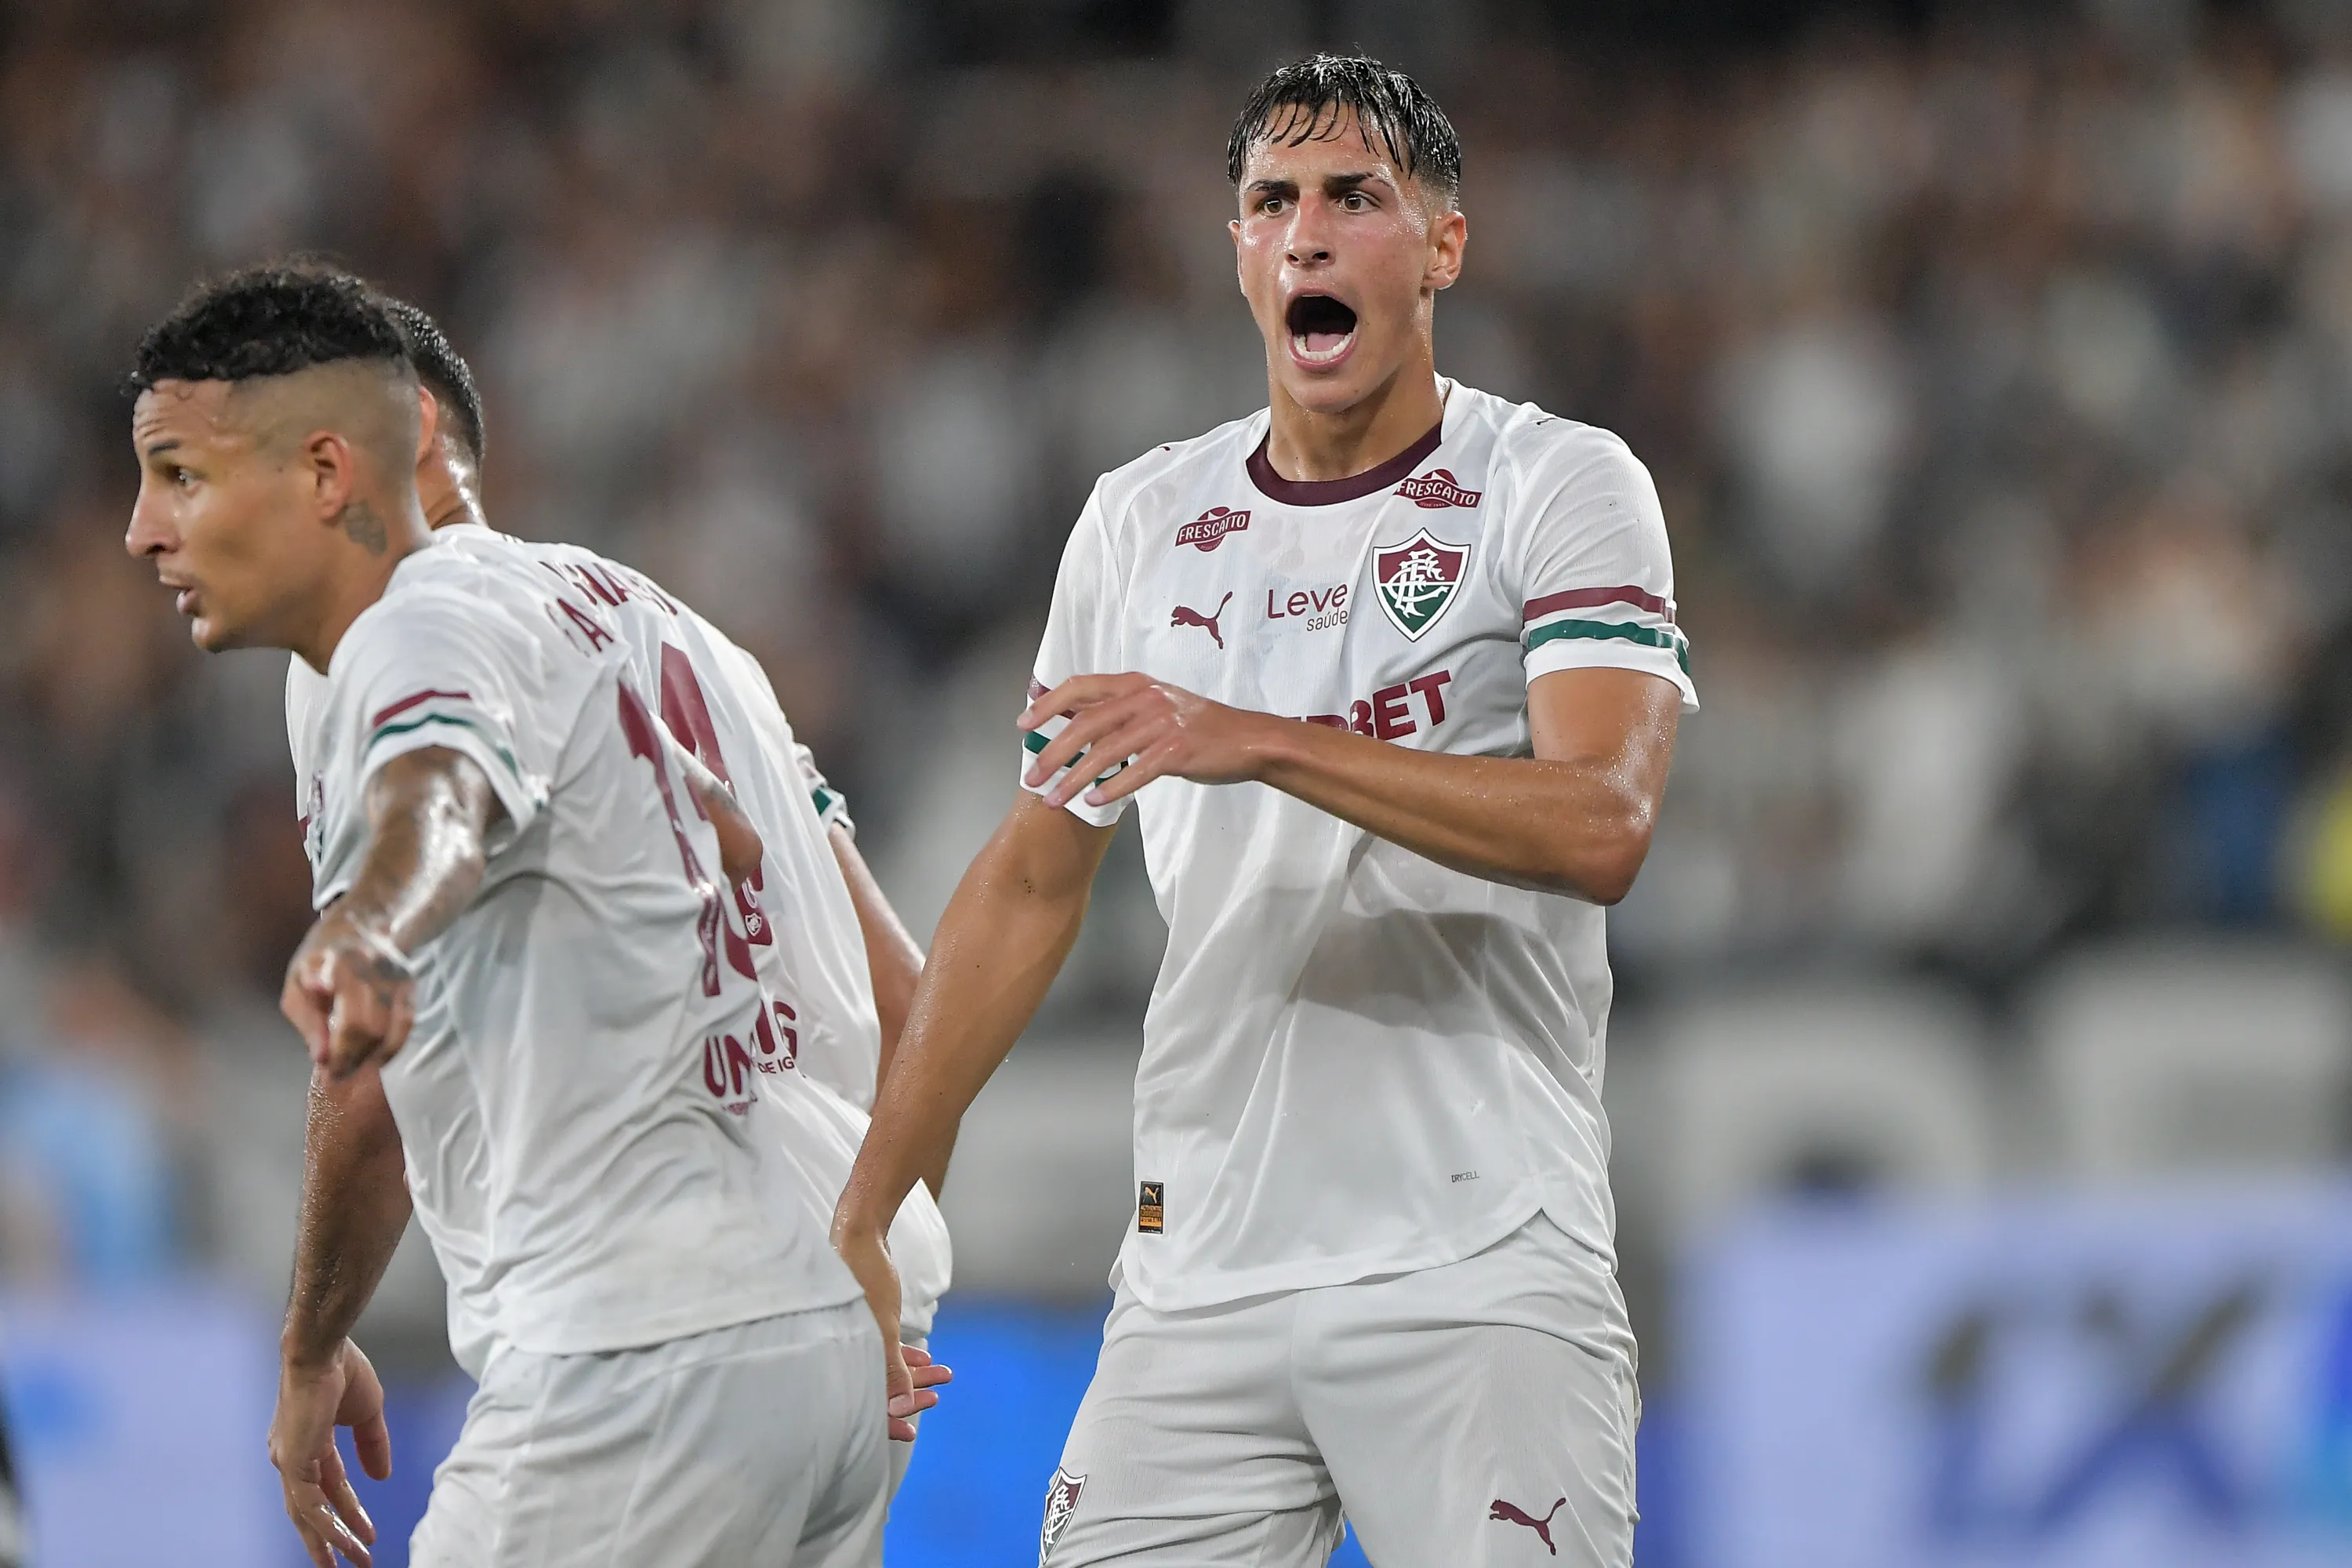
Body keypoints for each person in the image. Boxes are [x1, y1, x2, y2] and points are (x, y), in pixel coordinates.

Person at [833, 54, 1693, 1568]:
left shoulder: (1557, 484)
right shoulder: (1142, 523)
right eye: (1270, 202)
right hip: (1197, 1283)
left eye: (1356, 197)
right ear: (1237, 251)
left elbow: (1603, 822)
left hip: (1478, 1268)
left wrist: (1263, 738)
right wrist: (869, 1204)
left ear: (1443, 246)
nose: (1307, 234)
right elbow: (1033, 886)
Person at [125, 267, 917, 1568]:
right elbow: (900, 989)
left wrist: (370, 932)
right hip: (825, 1349)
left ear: (364, 455)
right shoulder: (697, 643)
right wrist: (865, 1252)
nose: (145, 531)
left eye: (181, 474)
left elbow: (436, 810)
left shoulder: (405, 623)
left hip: (637, 1354)